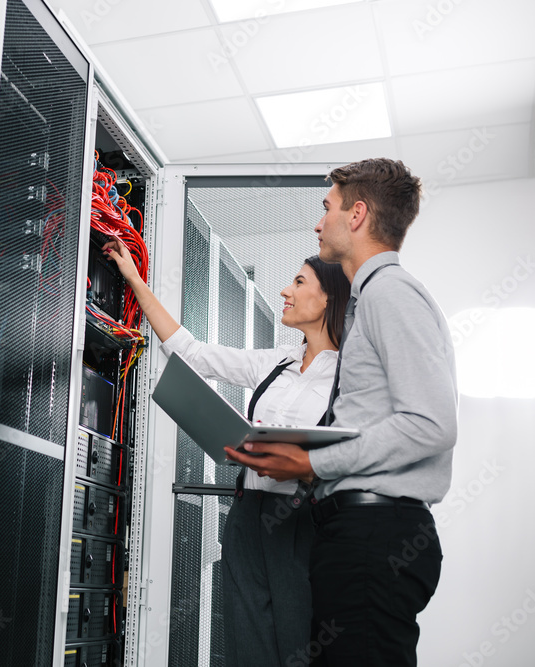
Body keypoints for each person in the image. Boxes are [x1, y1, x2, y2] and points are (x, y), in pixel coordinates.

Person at [225, 158, 458, 667]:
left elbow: (432, 424)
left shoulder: (391, 293)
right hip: (355, 532)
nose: (317, 222)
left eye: (326, 208)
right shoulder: (372, 299)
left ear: (356, 215)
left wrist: (311, 464)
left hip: (376, 536)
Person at [104, 239, 351, 667]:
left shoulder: (351, 375)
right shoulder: (276, 363)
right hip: (247, 516)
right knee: (246, 642)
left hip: (302, 522)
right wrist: (134, 280)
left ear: (329, 296)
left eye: (298, 282)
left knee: (301, 644)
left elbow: (357, 455)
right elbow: (193, 354)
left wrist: (307, 471)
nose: (284, 292)